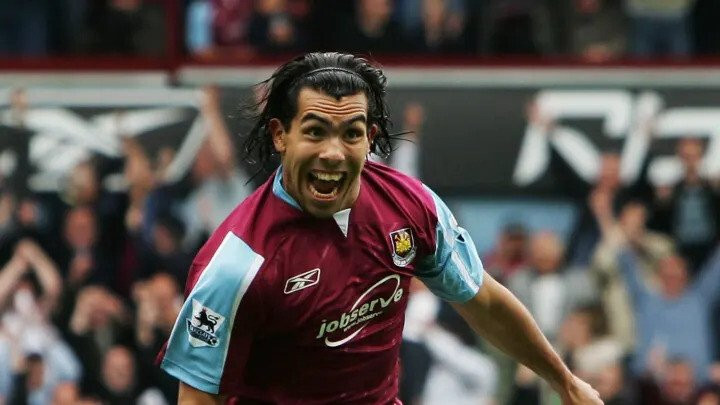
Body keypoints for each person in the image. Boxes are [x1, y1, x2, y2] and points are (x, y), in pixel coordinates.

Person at [157, 52, 602, 404]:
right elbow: (197, 396)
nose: (334, 153)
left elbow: (482, 299)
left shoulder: (410, 205)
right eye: (315, 132)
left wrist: (565, 382)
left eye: (351, 134)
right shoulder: (236, 265)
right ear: (280, 135)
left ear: (369, 138)